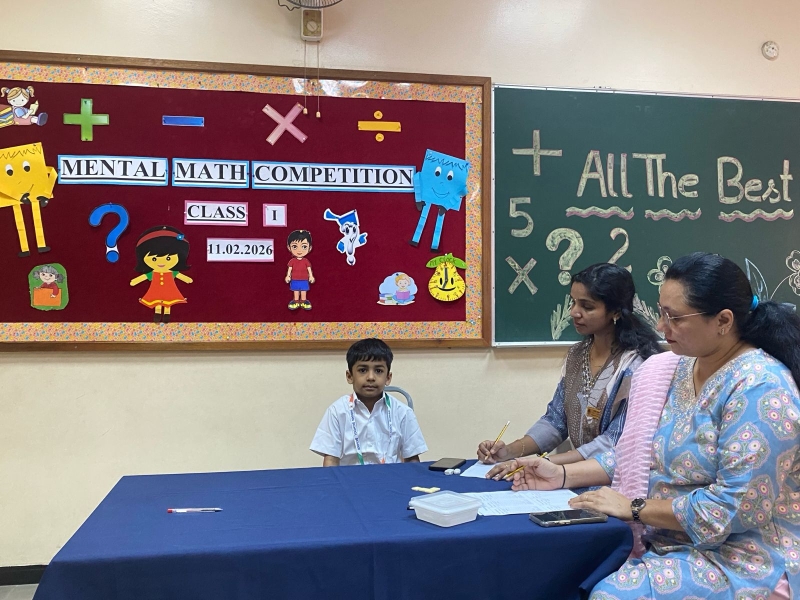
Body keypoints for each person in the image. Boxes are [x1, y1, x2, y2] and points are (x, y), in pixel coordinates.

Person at [505, 253, 800, 599]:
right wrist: (562, 475)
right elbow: (635, 454)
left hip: (742, 558)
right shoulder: (675, 369)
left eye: (674, 318)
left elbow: (734, 509)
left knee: (610, 595)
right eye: (661, 312)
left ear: (723, 320)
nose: (661, 327)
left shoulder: (760, 387)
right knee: (561, 569)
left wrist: (634, 507)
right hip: (666, 541)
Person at [480, 263, 662, 467]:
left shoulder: (636, 366)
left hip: (615, 477)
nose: (574, 312)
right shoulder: (577, 355)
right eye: (573, 302)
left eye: (587, 306)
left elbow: (614, 442)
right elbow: (556, 421)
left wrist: (543, 464)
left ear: (616, 312)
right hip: (573, 474)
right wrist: (509, 451)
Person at [310, 338, 428, 466]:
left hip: (391, 476)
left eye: (378, 371)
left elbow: (412, 460)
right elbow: (331, 460)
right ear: (349, 376)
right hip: (350, 477)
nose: (371, 377)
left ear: (388, 378)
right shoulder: (337, 411)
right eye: (362, 370)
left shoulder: (403, 412)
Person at [130, 226, 193, 323]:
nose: (161, 262)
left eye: (168, 258)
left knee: (168, 301)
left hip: (169, 290)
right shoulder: (153, 273)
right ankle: (158, 313)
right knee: (157, 301)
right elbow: (145, 276)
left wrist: (186, 279)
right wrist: (136, 280)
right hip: (156, 290)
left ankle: (167, 314)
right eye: (154, 259)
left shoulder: (172, 272)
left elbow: (179, 275)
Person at [285, 229, 314, 310]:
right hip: (294, 279)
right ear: (289, 247)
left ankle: (304, 301)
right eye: (295, 246)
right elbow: (289, 269)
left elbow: (309, 269)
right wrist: (288, 276)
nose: (299, 250)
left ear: (309, 248)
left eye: (304, 246)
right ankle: (296, 301)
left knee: (304, 290)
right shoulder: (292, 261)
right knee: (296, 290)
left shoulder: (306, 261)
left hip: (304, 279)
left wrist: (311, 276)